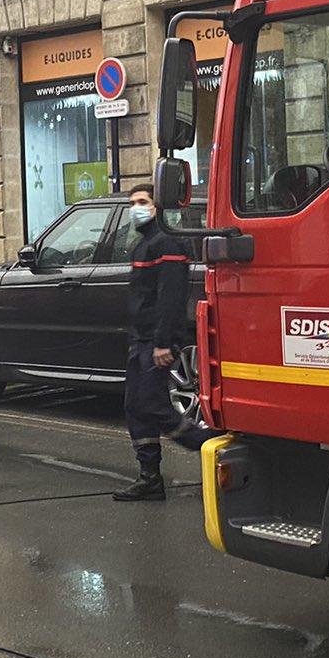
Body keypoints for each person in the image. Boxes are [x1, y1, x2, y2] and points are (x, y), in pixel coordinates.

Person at [114, 183, 208, 502]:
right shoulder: (144, 244)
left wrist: (163, 343)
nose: (136, 208)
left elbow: (170, 297)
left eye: (142, 201)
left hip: (156, 342)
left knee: (153, 406)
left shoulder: (166, 243)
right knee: (135, 407)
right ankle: (149, 477)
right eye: (132, 203)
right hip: (140, 341)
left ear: (157, 207)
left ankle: (208, 445)